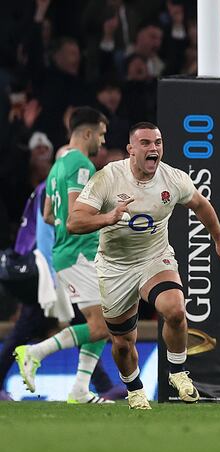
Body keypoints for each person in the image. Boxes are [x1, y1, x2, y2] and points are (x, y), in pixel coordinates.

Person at [67, 122, 220, 409]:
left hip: (154, 257)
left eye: (158, 142)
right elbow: (75, 221)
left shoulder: (173, 179)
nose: (154, 148)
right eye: (145, 143)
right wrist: (107, 219)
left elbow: (201, 204)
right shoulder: (108, 178)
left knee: (174, 309)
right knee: (122, 343)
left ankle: (178, 372)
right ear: (131, 150)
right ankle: (134, 388)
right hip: (115, 266)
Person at [14, 107, 114, 404]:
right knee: (103, 324)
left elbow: (48, 215)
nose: (103, 142)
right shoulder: (81, 165)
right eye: (101, 135)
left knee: (105, 322)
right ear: (88, 133)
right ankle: (35, 353)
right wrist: (109, 218)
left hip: (69, 253)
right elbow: (74, 217)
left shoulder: (57, 167)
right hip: (79, 254)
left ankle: (81, 390)